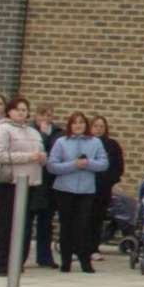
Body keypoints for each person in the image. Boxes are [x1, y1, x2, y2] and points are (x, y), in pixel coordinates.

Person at [47, 112, 107, 274]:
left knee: (83, 226)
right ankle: (65, 261)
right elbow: (52, 166)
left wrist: (88, 163)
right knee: (66, 226)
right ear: (70, 125)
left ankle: (84, 261)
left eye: (81, 122)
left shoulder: (95, 142)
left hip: (86, 190)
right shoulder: (61, 142)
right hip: (64, 189)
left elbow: (103, 164)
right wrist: (74, 165)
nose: (78, 125)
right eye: (74, 123)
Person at [0, 96, 50, 273]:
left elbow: (42, 155)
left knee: (24, 225)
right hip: (10, 182)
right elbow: (1, 155)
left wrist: (42, 158)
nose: (21, 112)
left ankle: (18, 260)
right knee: (6, 224)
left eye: (24, 109)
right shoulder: (4, 130)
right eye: (18, 109)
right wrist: (28, 157)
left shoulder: (34, 132)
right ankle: (2, 262)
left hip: (31, 183)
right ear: (9, 111)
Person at [90, 116, 124, 260]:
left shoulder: (112, 145)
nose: (99, 129)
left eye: (101, 126)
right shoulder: (86, 143)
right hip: (85, 186)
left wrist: (109, 181)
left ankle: (93, 247)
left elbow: (118, 167)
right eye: (96, 126)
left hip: (103, 188)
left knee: (97, 219)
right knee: (83, 218)